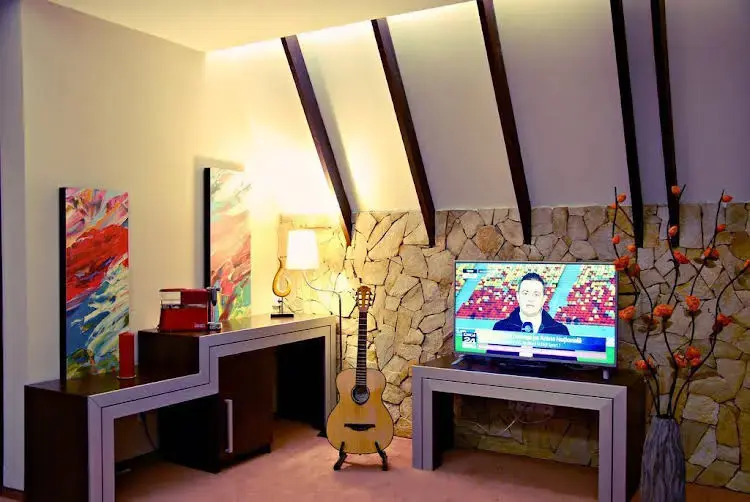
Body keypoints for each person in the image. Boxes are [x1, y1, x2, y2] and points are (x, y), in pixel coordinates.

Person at [492, 272, 570, 335]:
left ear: (543, 299)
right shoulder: (500, 328)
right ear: (518, 297)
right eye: (525, 293)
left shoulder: (560, 331)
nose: (530, 299)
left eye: (536, 294)